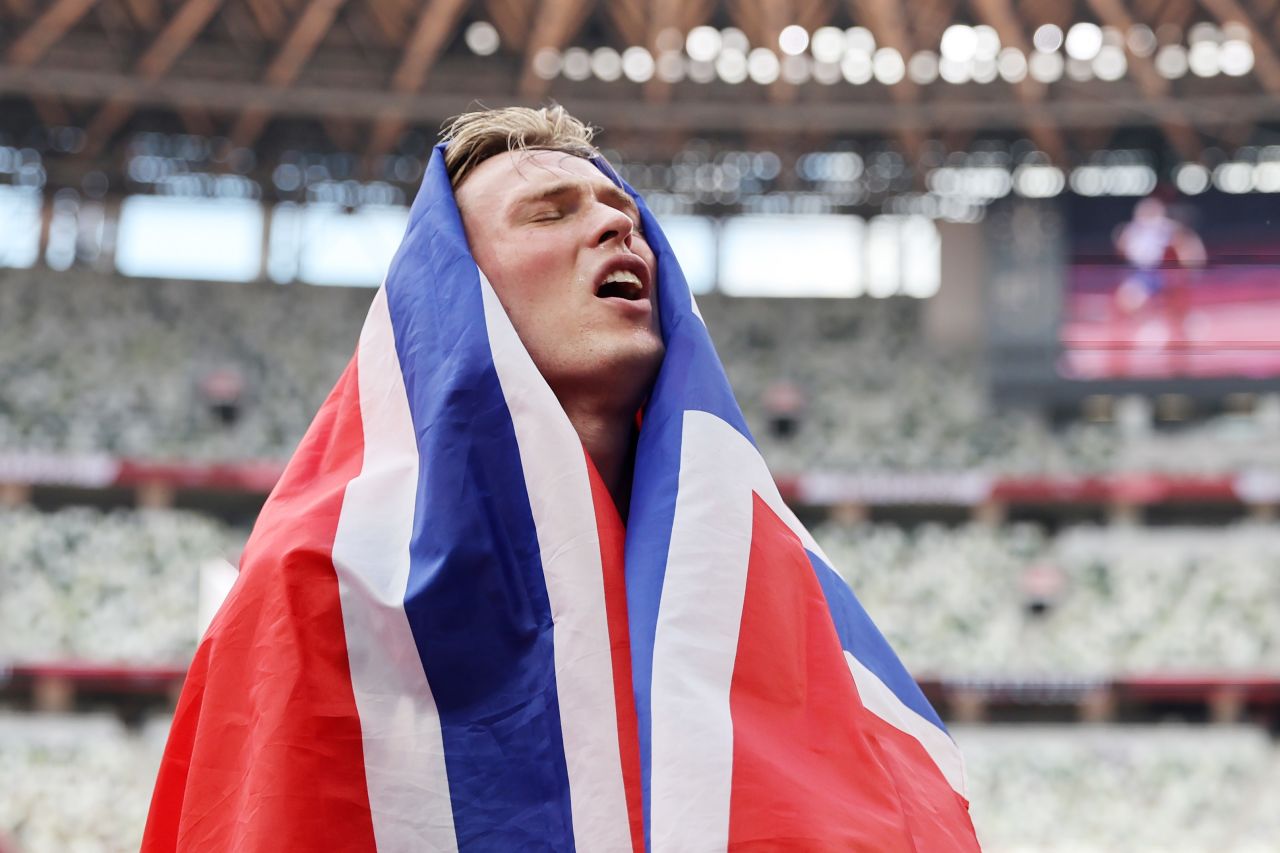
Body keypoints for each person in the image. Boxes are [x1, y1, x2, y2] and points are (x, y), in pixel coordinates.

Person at [143, 106, 978, 851]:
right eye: (551, 213)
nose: (619, 231)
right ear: (455, 293)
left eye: (627, 216)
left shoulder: (764, 589)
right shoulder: (314, 581)